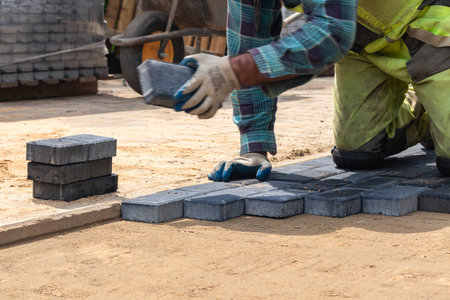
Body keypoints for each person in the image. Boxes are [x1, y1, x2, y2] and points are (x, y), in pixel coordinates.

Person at [173, 0, 450, 181]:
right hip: (364, 44)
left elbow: (330, 35)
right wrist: (253, 148)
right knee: (356, 153)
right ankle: (428, 116)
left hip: (432, 25)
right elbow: (249, 39)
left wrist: (232, 71)